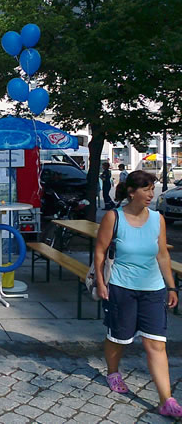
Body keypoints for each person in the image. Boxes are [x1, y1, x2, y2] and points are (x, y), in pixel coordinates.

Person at [94, 170, 181, 417]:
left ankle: (166, 400)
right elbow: (100, 252)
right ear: (132, 192)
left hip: (153, 289)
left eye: (152, 189)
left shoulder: (157, 219)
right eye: (146, 189)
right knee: (119, 338)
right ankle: (113, 372)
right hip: (121, 287)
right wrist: (101, 283)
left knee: (156, 344)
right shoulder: (114, 217)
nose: (151, 194)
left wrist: (171, 286)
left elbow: (162, 254)